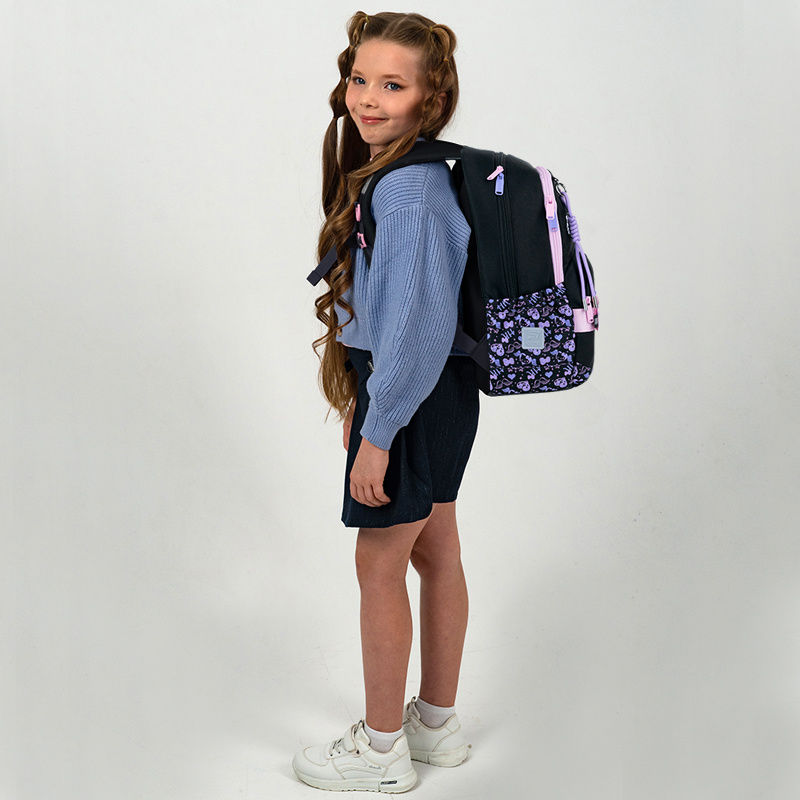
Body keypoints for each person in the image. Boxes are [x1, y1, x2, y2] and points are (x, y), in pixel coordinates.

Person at [292, 11, 479, 793]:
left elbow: (416, 330)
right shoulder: (410, 176)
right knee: (435, 552)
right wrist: (365, 405)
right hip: (433, 393)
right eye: (359, 78)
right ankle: (435, 727)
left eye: (392, 85)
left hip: (413, 394)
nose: (368, 98)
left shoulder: (405, 192)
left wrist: (380, 429)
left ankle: (380, 753)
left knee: (378, 562)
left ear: (430, 99)